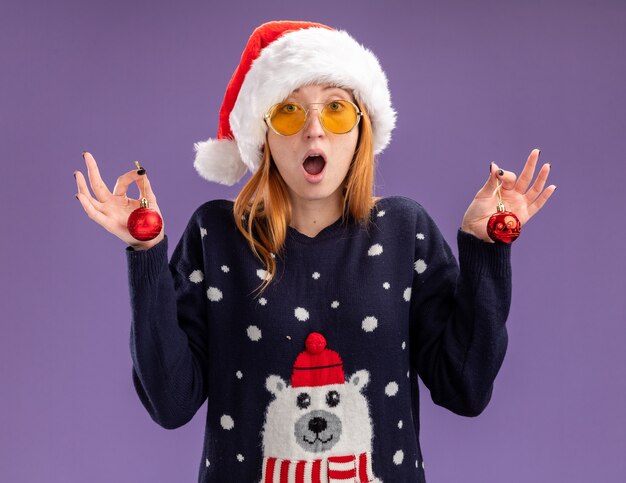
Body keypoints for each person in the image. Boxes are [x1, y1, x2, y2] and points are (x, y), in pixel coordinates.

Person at [74, 20, 555, 483]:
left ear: (362, 129)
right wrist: (146, 251)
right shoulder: (215, 235)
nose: (314, 130)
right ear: (263, 136)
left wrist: (485, 250)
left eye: (336, 109)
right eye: (288, 110)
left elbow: (465, 387)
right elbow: (171, 401)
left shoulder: (406, 232)